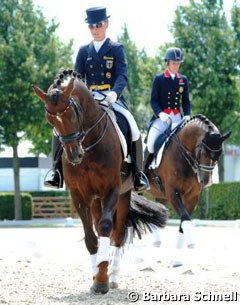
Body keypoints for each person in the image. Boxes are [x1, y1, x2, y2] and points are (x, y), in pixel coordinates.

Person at [45, 6, 149, 192]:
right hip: (88, 99)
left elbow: (122, 75)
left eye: (98, 25)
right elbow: (77, 78)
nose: (95, 29)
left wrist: (114, 93)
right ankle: (56, 172)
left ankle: (138, 173)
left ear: (106, 24)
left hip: (111, 97)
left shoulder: (116, 48)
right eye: (91, 26)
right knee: (57, 130)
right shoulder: (84, 51)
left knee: (133, 127)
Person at [146, 47, 191, 156]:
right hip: (163, 118)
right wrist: (160, 113)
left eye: (178, 63)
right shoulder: (159, 79)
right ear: (168, 62)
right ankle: (146, 170)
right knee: (151, 145)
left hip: (177, 118)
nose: (176, 66)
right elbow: (154, 101)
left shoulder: (183, 80)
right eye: (174, 63)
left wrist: (187, 115)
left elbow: (185, 101)